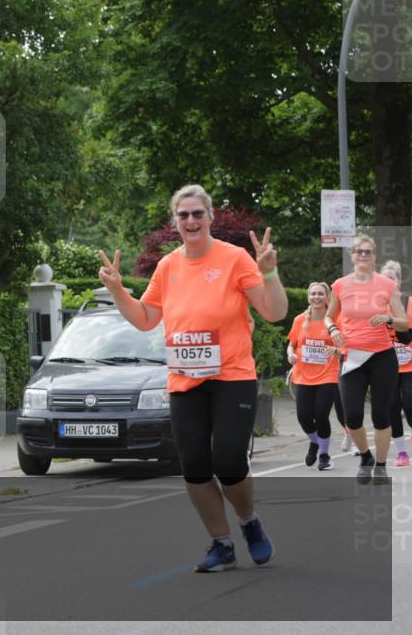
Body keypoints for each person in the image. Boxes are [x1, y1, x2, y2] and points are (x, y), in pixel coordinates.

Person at [98, 184, 287, 573]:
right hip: (185, 381)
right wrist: (117, 291)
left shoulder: (234, 259)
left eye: (197, 213)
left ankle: (250, 522)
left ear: (210, 217)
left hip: (232, 375)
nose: (190, 221)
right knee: (195, 467)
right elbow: (146, 319)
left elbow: (273, 312)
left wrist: (270, 273)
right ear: (175, 222)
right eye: (183, 215)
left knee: (229, 460)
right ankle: (222, 545)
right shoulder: (168, 266)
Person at [324, 236, 409, 484]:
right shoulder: (340, 285)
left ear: (374, 257)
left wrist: (388, 318)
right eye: (359, 252)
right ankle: (365, 457)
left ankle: (381, 467)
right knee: (351, 415)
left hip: (382, 357)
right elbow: (329, 317)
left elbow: (403, 322)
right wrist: (333, 330)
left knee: (382, 416)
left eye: (368, 252)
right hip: (353, 357)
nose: (363, 255)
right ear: (352, 256)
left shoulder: (386, 285)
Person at [286, 282, 340, 471]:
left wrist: (336, 349)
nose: (316, 297)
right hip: (303, 375)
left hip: (327, 375)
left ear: (327, 298)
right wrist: (290, 354)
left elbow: (345, 347)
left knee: (320, 414)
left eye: (320, 294)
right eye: (313, 294)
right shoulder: (300, 320)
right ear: (309, 297)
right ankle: (315, 442)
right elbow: (292, 343)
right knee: (303, 417)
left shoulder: (334, 320)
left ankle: (324, 455)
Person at [380, 260, 412, 467]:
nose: (388, 282)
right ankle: (402, 453)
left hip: (409, 364)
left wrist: (392, 320)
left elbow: (407, 337)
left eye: (392, 278)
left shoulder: (408, 302)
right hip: (385, 366)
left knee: (410, 405)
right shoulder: (373, 305)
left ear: (399, 281)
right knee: (391, 407)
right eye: (384, 279)